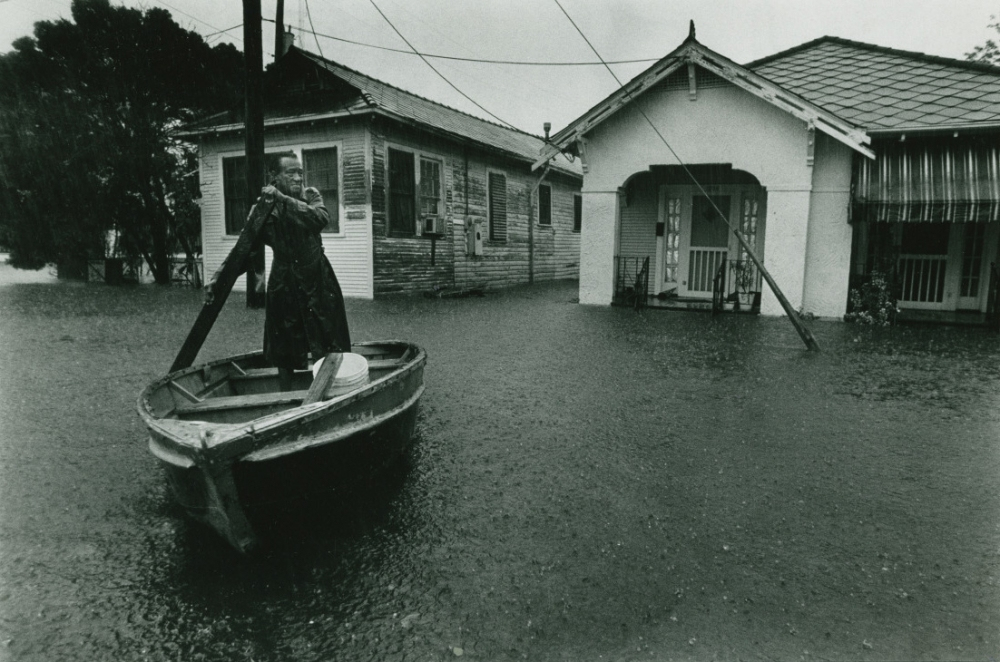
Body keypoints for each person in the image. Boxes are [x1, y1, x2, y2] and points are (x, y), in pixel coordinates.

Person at [205, 151, 351, 390]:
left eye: (300, 172)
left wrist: (282, 199)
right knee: (284, 341)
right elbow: (245, 250)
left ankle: (331, 389)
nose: (298, 178)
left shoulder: (311, 196)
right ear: (274, 176)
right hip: (284, 280)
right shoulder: (262, 210)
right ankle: (286, 396)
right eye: (290, 172)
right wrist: (218, 278)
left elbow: (319, 219)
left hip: (317, 277)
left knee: (327, 334)